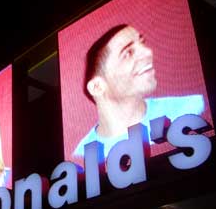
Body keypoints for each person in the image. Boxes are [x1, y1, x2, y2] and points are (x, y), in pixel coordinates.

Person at [73, 24, 205, 161]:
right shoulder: (82, 156)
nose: (148, 52)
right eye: (128, 53)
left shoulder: (193, 108)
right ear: (97, 87)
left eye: (142, 43)